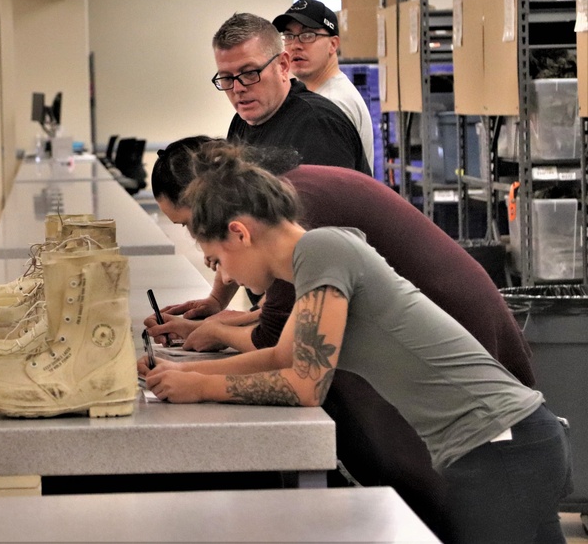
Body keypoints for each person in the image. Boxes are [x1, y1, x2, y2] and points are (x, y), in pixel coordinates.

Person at [143, 140, 572, 544]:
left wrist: (200, 386)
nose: (228, 277)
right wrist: (181, 373)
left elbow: (304, 386)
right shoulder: (318, 258)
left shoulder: (322, 251)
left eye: (219, 260)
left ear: (239, 233)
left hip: (500, 448)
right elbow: (281, 356)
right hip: (517, 442)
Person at [212, 12, 371, 176]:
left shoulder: (318, 125)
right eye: (227, 78)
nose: (237, 88)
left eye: (250, 73)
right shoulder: (241, 123)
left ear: (282, 65)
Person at [272, 0, 374, 174]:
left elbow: (330, 190)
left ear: (333, 44)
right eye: (289, 36)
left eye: (308, 35)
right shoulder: (317, 96)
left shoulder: (330, 105)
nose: (295, 45)